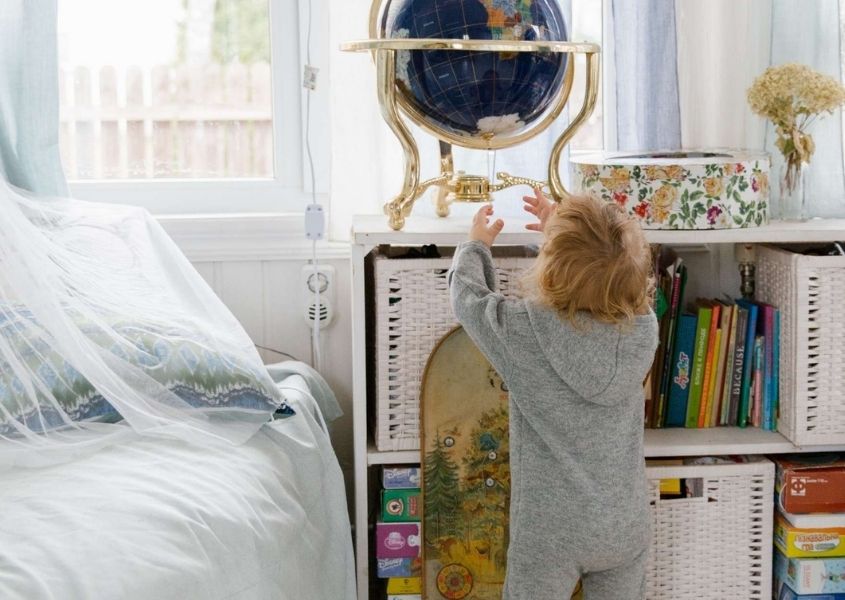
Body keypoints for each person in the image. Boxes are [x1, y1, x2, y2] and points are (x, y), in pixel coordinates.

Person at [448, 190, 658, 599]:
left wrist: (475, 245)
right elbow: (603, 278)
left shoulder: (522, 332)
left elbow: (467, 299)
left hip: (549, 530)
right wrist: (562, 237)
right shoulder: (643, 329)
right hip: (623, 524)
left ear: (550, 270)